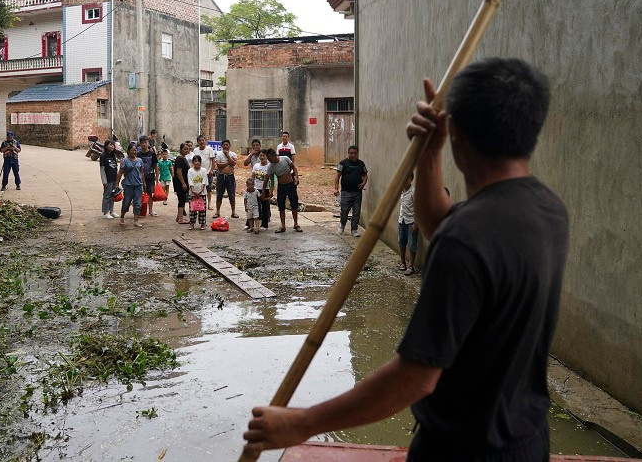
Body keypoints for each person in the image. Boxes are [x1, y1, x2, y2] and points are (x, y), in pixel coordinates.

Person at [242, 58, 567, 462]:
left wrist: (302, 422)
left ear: (458, 131)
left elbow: (413, 378)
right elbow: (439, 224)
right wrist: (429, 153)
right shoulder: (546, 210)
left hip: (461, 451)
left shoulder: (466, 240)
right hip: (526, 441)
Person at [262, 149, 301, 233]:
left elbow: (294, 167)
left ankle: (296, 223)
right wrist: (263, 191)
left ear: (273, 155)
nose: (268, 160)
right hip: (281, 187)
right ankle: (283, 225)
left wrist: (296, 177)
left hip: (290, 184)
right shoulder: (271, 166)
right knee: (281, 206)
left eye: (269, 158)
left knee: (294, 204)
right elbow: (266, 179)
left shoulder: (285, 159)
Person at [334, 145, 368, 237]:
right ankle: (342, 224)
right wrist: (336, 188)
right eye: (351, 153)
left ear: (357, 154)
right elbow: (337, 176)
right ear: (348, 153)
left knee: (356, 211)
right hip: (346, 192)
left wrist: (363, 183)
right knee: (344, 210)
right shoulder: (342, 163)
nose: (353, 155)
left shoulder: (361, 164)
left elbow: (365, 175)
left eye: (355, 154)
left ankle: (354, 229)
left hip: (357, 192)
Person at [116, 143, 146, 228]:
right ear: (128, 151)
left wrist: (144, 183)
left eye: (135, 150)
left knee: (137, 203)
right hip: (128, 185)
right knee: (126, 202)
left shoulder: (140, 160)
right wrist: (116, 184)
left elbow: (142, 173)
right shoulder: (125, 161)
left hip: (138, 185)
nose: (134, 152)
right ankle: (122, 217)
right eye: (132, 150)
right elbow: (120, 173)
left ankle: (136, 220)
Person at [398, 172, 419, 275]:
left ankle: (410, 266)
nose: (405, 180)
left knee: (412, 245)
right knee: (401, 242)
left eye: (408, 178)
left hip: (411, 222)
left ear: (411, 179)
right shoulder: (401, 191)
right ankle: (402, 263)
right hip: (402, 220)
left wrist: (416, 224)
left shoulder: (414, 192)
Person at [214, 139, 239, 219]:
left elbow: (234, 164)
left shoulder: (233, 154)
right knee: (219, 195)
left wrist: (228, 156)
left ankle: (233, 212)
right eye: (224, 145)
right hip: (221, 176)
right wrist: (228, 163)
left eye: (227, 145)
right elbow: (219, 165)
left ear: (229, 145)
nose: (225, 146)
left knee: (232, 195)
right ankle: (217, 212)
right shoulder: (218, 154)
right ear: (221, 146)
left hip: (230, 176)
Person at [191, 135, 216, 210]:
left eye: (203, 140)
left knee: (208, 188)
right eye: (200, 140)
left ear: (205, 141)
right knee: (197, 188)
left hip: (207, 173)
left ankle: (209, 204)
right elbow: (194, 161)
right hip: (197, 173)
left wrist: (212, 170)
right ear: (197, 142)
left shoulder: (209, 149)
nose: (201, 142)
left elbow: (213, 160)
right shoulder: (195, 150)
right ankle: (198, 203)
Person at [137, 135, 159, 217]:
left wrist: (157, 177)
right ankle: (139, 211)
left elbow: (155, 166)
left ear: (148, 143)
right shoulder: (138, 154)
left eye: (146, 142)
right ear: (140, 144)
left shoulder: (152, 154)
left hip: (150, 176)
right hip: (140, 177)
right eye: (142, 143)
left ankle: (150, 210)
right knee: (139, 194)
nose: (144, 144)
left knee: (150, 194)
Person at [252, 149, 272, 231]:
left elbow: (272, 179)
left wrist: (271, 190)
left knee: (265, 207)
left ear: (266, 156)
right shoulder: (256, 166)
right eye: (260, 155)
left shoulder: (270, 166)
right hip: (256, 188)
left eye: (264, 155)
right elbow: (252, 176)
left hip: (266, 189)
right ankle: (251, 224)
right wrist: (251, 187)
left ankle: (265, 225)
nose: (262, 157)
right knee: (255, 206)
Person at [187, 154, 209, 230]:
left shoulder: (203, 170)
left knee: (202, 209)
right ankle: (192, 223)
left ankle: (202, 223)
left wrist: (200, 190)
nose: (197, 162)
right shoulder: (190, 170)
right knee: (192, 209)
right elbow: (190, 181)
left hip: (202, 193)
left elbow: (204, 181)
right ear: (193, 162)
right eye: (195, 161)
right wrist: (193, 190)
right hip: (192, 193)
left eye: (198, 161)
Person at [173, 143, 192, 224]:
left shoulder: (182, 158)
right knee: (182, 199)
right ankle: (181, 219)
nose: (186, 150)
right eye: (185, 149)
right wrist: (183, 183)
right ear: (181, 149)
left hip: (181, 182)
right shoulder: (180, 159)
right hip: (180, 182)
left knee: (182, 199)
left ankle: (178, 217)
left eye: (187, 149)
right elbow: (179, 172)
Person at [99, 140, 118, 219]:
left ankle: (111, 210)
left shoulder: (113, 156)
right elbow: (102, 169)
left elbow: (115, 168)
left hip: (113, 178)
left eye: (113, 145)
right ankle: (105, 212)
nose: (112, 146)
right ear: (106, 146)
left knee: (112, 195)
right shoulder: (103, 156)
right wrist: (104, 181)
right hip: (107, 179)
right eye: (110, 145)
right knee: (107, 195)